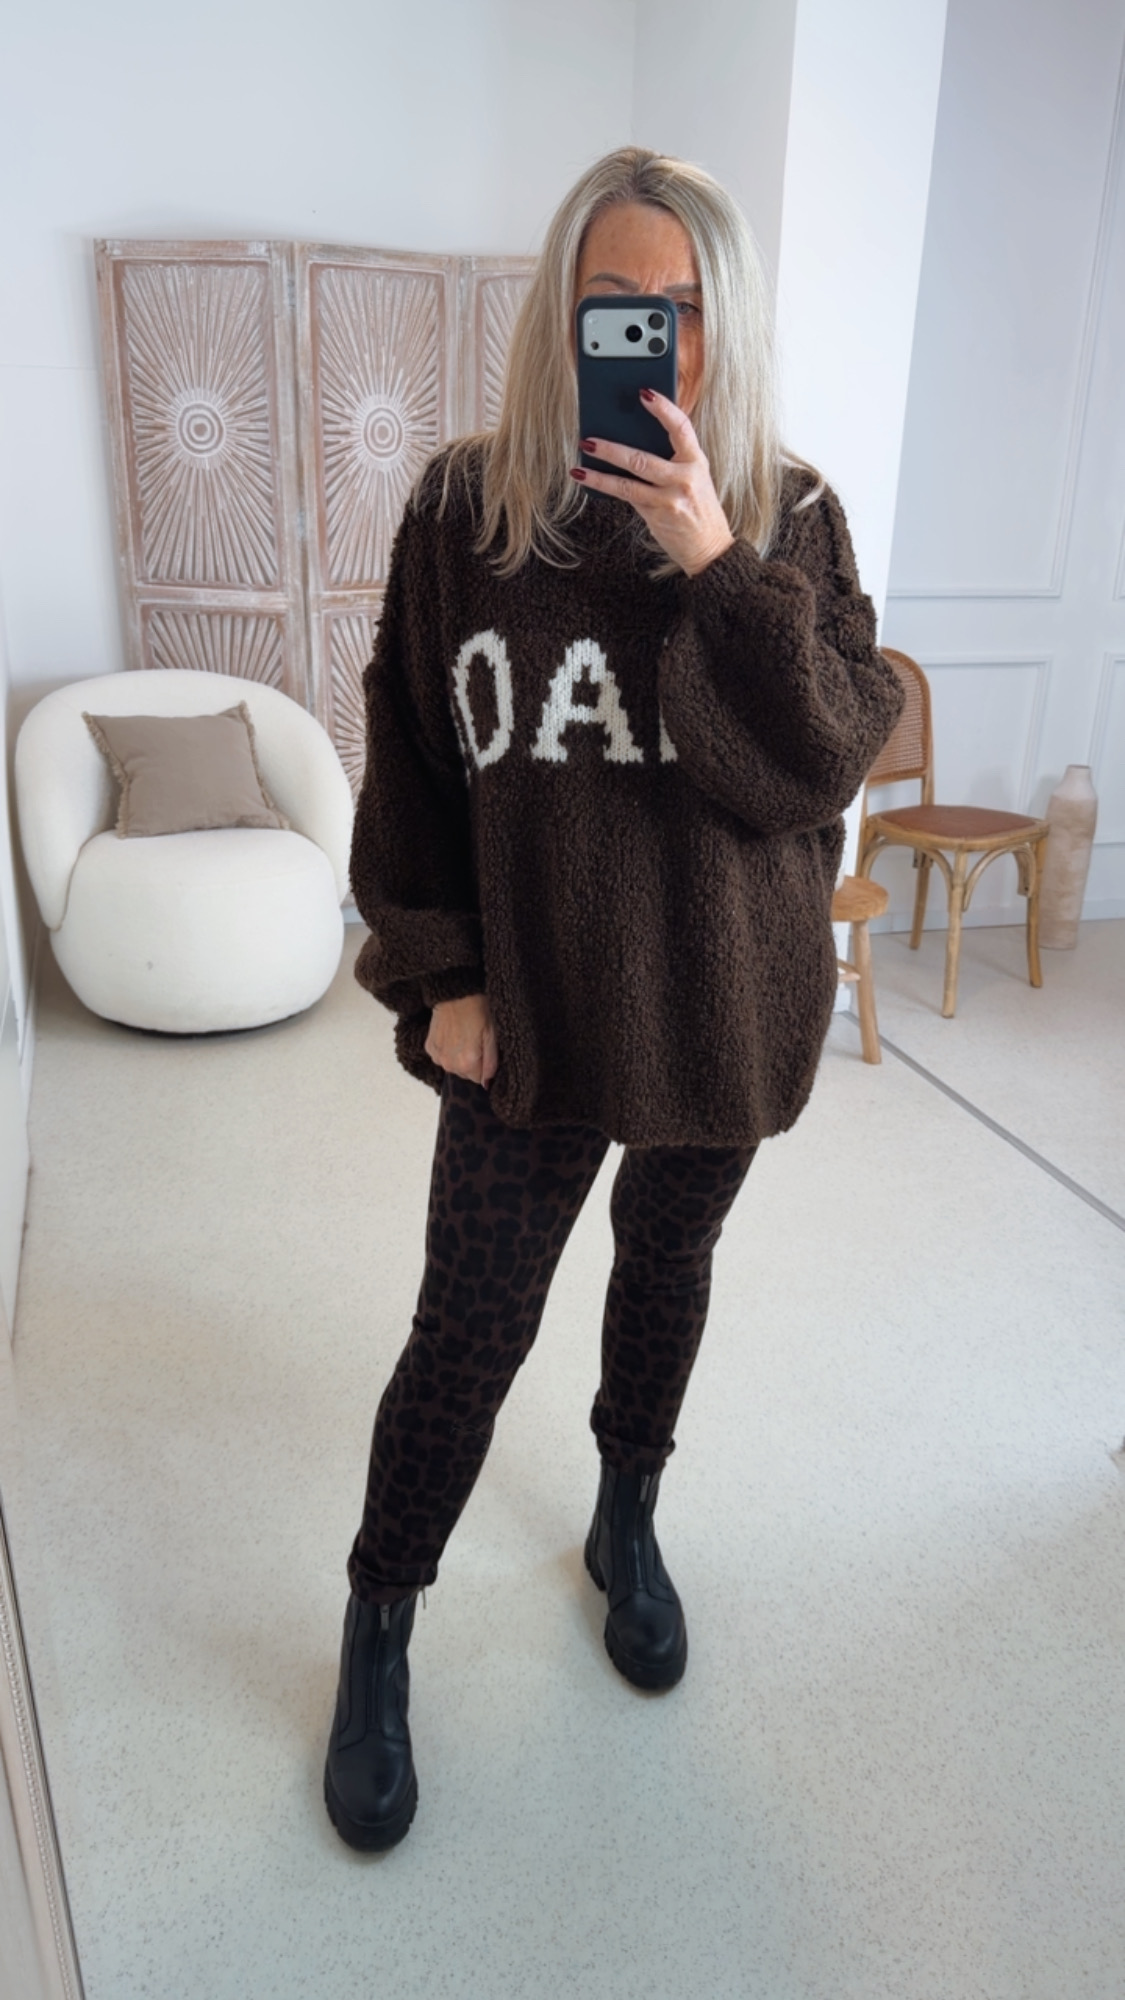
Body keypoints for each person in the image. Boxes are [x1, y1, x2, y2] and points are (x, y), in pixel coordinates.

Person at [323, 146, 904, 1852]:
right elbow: (409, 754)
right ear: (561, 315)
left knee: (667, 1265)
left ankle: (624, 1514)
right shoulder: (464, 511)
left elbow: (823, 758)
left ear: (728, 322)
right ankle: (380, 1614)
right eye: (617, 306)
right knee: (466, 1326)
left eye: (686, 308)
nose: (657, 339)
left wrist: (715, 561)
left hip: (723, 1008)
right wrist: (442, 974)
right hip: (531, 1018)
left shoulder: (790, 516)